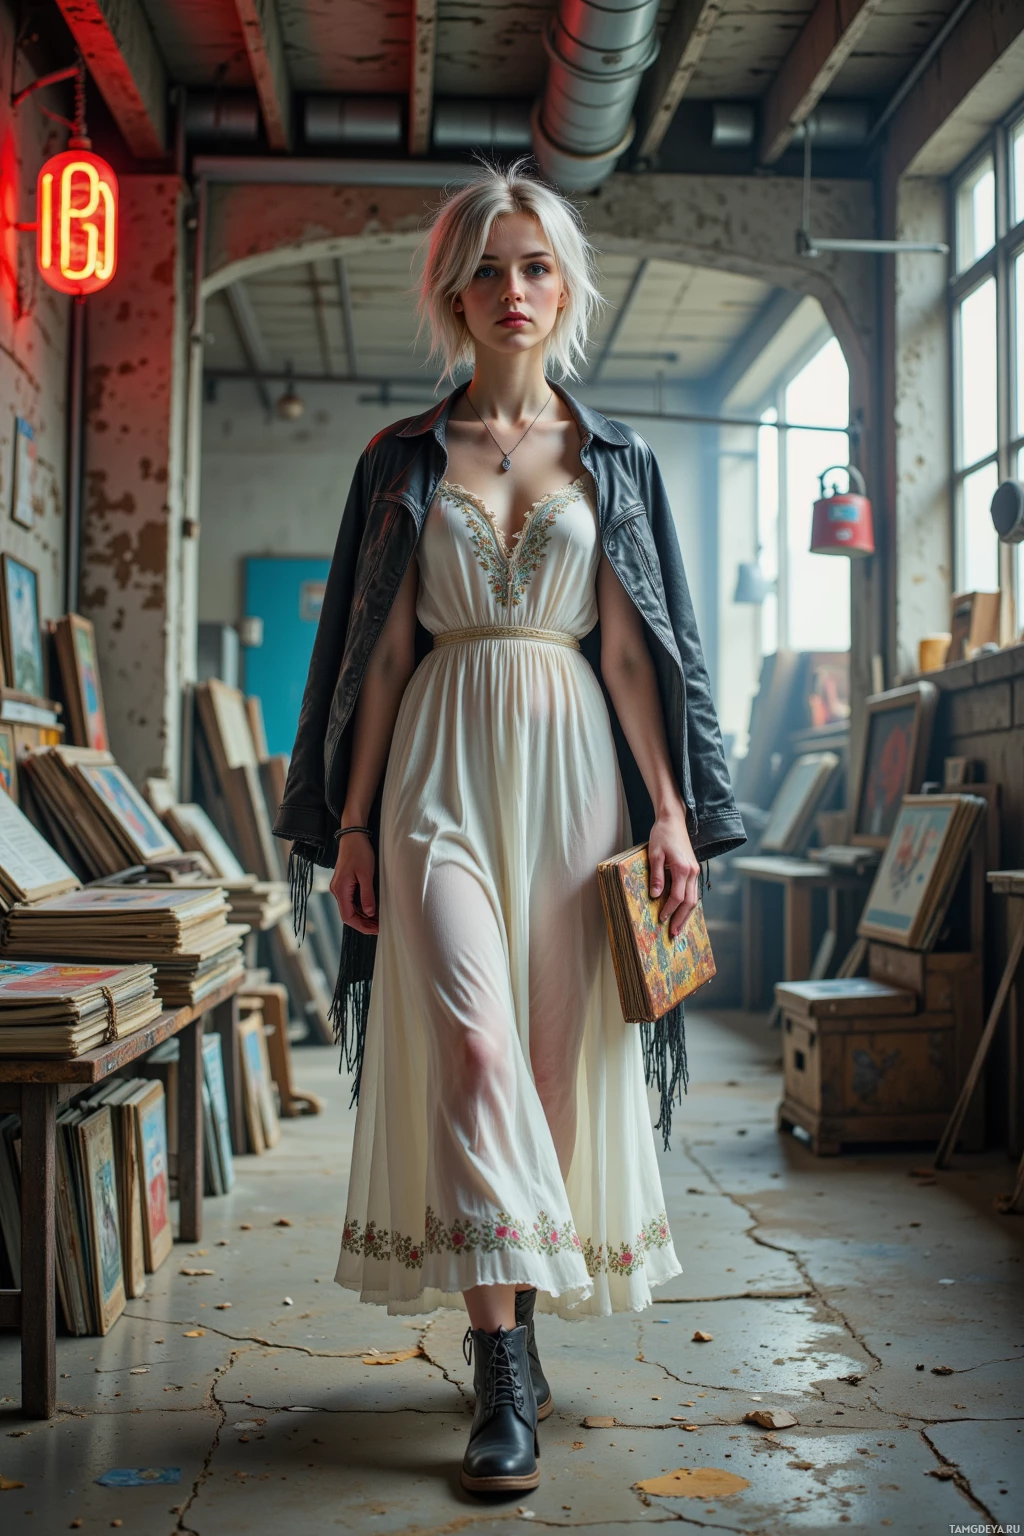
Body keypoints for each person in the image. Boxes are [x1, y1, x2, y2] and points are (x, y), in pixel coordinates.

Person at [274, 161, 744, 1496]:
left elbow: (642, 658)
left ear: (566, 287)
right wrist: (352, 822)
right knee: (474, 1048)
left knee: (543, 1072)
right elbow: (376, 655)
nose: (513, 289)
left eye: (536, 265)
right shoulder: (399, 459)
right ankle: (501, 1380)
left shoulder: (616, 459)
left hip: (578, 770)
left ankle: (513, 1331)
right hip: (432, 771)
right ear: (453, 293)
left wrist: (671, 814)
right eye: (487, 267)